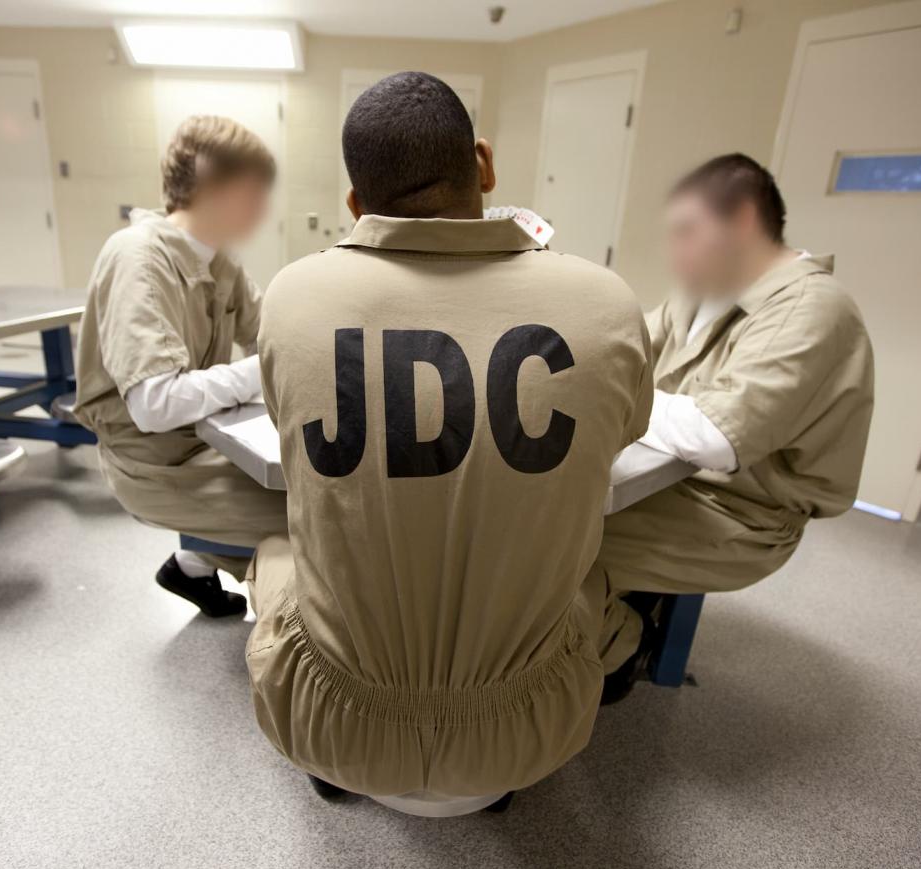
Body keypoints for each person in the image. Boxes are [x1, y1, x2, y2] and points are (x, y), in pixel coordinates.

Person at [244, 72, 653, 815]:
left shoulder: (291, 296)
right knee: (594, 572)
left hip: (334, 723)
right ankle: (482, 773)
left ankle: (360, 763)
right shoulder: (607, 303)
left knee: (271, 553)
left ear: (355, 205)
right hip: (530, 731)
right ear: (486, 165)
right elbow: (623, 435)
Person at [596, 153, 875, 703]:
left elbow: (716, 438)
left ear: (743, 221)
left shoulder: (812, 310)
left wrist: (616, 396)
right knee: (545, 532)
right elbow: (620, 353)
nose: (674, 249)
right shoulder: (702, 291)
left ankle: (622, 645)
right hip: (675, 482)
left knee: (554, 550)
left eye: (685, 231)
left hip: (744, 514)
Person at [75, 116, 287, 617]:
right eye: (255, 191)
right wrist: (263, 370)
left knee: (309, 483)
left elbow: (270, 333)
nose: (262, 208)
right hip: (150, 462)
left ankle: (189, 564)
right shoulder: (138, 258)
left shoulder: (219, 262)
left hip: (202, 439)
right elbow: (154, 404)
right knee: (309, 513)